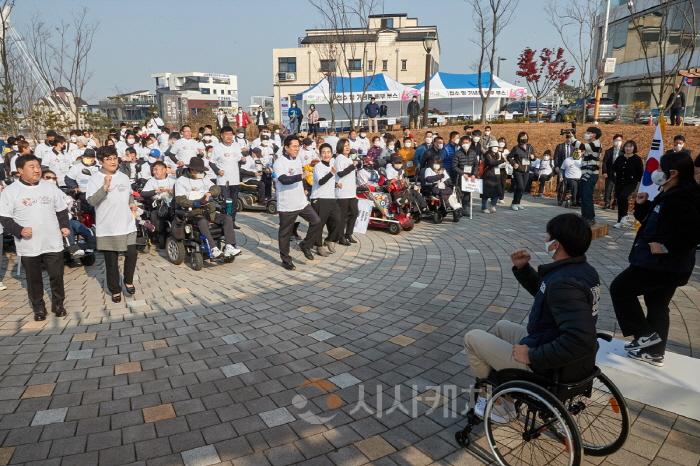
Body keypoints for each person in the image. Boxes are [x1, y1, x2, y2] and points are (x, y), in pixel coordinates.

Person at [464, 213, 600, 421]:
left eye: (548, 237)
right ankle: (505, 388)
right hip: (558, 348)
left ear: (557, 244)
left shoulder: (564, 283)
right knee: (502, 326)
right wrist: (523, 269)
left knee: (472, 337)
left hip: (549, 367)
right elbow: (549, 296)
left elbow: (579, 339)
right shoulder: (582, 270)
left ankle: (501, 404)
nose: (545, 240)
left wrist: (532, 356)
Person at [611, 151, 700, 366]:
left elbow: (694, 232)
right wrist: (643, 207)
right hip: (665, 265)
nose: (656, 172)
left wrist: (668, 247)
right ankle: (654, 351)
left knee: (620, 289)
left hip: (660, 265)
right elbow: (658, 223)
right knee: (658, 303)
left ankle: (645, 335)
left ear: (673, 173)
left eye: (659, 169)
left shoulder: (685, 197)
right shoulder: (671, 192)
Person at [0, 155, 70, 320]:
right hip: (28, 244)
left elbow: (61, 209)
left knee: (56, 275)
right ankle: (38, 307)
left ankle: (58, 304)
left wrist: (64, 226)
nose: (37, 169)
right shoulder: (11, 191)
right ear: (20, 171)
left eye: (38, 166)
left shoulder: (50, 188)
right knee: (33, 279)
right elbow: (4, 216)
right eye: (31, 166)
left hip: (53, 241)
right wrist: (19, 230)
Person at [85, 147, 138, 303]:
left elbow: (128, 194)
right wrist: (104, 188)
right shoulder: (95, 178)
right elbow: (91, 201)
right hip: (108, 226)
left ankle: (128, 280)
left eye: (114, 157)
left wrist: (132, 203)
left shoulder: (123, 176)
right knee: (111, 261)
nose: (113, 161)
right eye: (108, 159)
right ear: (101, 161)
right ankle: (115, 289)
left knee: (132, 254)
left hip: (127, 224)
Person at [174, 156, 241, 258]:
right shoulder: (181, 181)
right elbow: (180, 200)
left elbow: (216, 188)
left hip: (208, 210)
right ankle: (213, 248)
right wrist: (197, 203)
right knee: (202, 221)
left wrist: (210, 192)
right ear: (191, 170)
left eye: (202, 170)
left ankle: (229, 246)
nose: (201, 172)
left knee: (227, 218)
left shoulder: (204, 178)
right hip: (192, 212)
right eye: (198, 171)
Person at [273, 135, 323, 270]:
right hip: (287, 204)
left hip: (301, 201)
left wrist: (305, 188)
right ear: (286, 147)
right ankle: (286, 260)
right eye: (294, 146)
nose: (297, 149)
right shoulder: (279, 162)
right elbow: (283, 179)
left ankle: (305, 245)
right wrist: (300, 176)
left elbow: (303, 178)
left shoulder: (298, 160)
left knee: (317, 221)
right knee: (285, 234)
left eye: (298, 146)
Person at [210, 126, 243, 229]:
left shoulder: (236, 146)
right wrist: (218, 171)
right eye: (226, 134)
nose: (229, 137)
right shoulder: (217, 147)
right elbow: (211, 162)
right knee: (225, 202)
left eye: (230, 134)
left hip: (235, 179)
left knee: (233, 201)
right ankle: (225, 221)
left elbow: (239, 158)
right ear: (221, 136)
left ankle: (232, 221)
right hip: (223, 180)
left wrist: (243, 159)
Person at [310, 143, 340, 256]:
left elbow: (330, 181)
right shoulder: (318, 166)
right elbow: (321, 181)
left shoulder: (332, 163)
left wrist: (336, 184)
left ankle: (329, 240)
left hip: (331, 197)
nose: (326, 154)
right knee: (320, 224)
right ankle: (319, 246)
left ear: (331, 154)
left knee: (338, 220)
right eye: (323, 152)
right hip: (319, 198)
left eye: (328, 152)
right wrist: (332, 173)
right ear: (320, 154)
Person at [574, 127, 602, 225]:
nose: (586, 134)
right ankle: (585, 216)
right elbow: (575, 156)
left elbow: (581, 145)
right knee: (583, 195)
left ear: (594, 135)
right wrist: (577, 151)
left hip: (591, 174)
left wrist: (573, 138)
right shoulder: (589, 145)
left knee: (587, 196)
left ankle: (590, 218)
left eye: (588, 132)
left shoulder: (596, 143)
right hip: (585, 174)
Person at [612, 140, 643, 228]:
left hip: (630, 183)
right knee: (620, 199)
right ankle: (620, 220)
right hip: (619, 182)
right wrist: (614, 174)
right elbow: (614, 168)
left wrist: (639, 185)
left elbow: (640, 173)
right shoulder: (620, 158)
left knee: (623, 196)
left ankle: (623, 218)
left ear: (634, 148)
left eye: (630, 146)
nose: (628, 148)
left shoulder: (637, 159)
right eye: (626, 146)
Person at [334, 138, 359, 245]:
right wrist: (352, 166)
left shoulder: (348, 158)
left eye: (348, 145)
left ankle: (348, 234)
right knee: (343, 216)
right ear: (340, 147)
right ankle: (340, 237)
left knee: (354, 213)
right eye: (345, 145)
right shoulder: (339, 158)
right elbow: (340, 174)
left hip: (351, 192)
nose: (347, 147)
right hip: (342, 192)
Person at [507, 132, 534, 211]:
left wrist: (533, 157)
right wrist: (514, 163)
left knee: (523, 188)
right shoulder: (516, 148)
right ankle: (514, 203)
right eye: (522, 137)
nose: (524, 139)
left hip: (526, 171)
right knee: (520, 187)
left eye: (525, 137)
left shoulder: (530, 147)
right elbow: (509, 157)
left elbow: (534, 157)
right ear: (519, 138)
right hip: (518, 171)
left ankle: (518, 203)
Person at [452, 136, 478, 212]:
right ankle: (458, 209)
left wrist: (474, 174)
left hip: (470, 177)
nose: (465, 144)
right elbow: (454, 166)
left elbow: (476, 165)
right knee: (460, 194)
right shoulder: (457, 153)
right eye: (464, 143)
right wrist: (462, 173)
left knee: (467, 194)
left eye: (467, 143)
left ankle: (464, 208)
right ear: (461, 143)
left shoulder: (473, 153)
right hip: (460, 177)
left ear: (470, 143)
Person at [480, 140, 504, 213]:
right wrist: (501, 161)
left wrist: (502, 162)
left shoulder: (498, 154)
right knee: (486, 193)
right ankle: (484, 207)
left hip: (496, 176)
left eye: (497, 146)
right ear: (490, 147)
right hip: (488, 176)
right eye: (494, 146)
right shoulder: (487, 154)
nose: (496, 148)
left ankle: (493, 206)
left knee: (497, 192)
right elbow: (491, 163)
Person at [602, 134, 623, 209]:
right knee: (608, 189)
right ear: (613, 141)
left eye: (619, 140)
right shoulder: (608, 151)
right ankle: (607, 203)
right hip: (610, 173)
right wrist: (604, 172)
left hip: (620, 174)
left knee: (618, 189)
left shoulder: (624, 151)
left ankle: (615, 204)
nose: (618, 142)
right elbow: (604, 162)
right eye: (616, 140)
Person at [554, 130, 576, 201]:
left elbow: (575, 158)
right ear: (566, 138)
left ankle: (567, 195)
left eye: (570, 138)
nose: (569, 139)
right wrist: (556, 166)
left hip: (570, 168)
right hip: (561, 167)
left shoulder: (573, 147)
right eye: (568, 138)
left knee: (569, 181)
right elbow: (556, 157)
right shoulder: (560, 146)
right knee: (561, 181)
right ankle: (560, 196)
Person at [496, 137, 510, 204]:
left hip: (504, 168)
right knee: (497, 183)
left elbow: (509, 159)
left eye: (503, 142)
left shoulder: (506, 151)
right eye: (501, 141)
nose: (502, 143)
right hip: (497, 168)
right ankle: (495, 196)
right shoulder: (495, 150)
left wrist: (507, 160)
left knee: (503, 184)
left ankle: (501, 198)